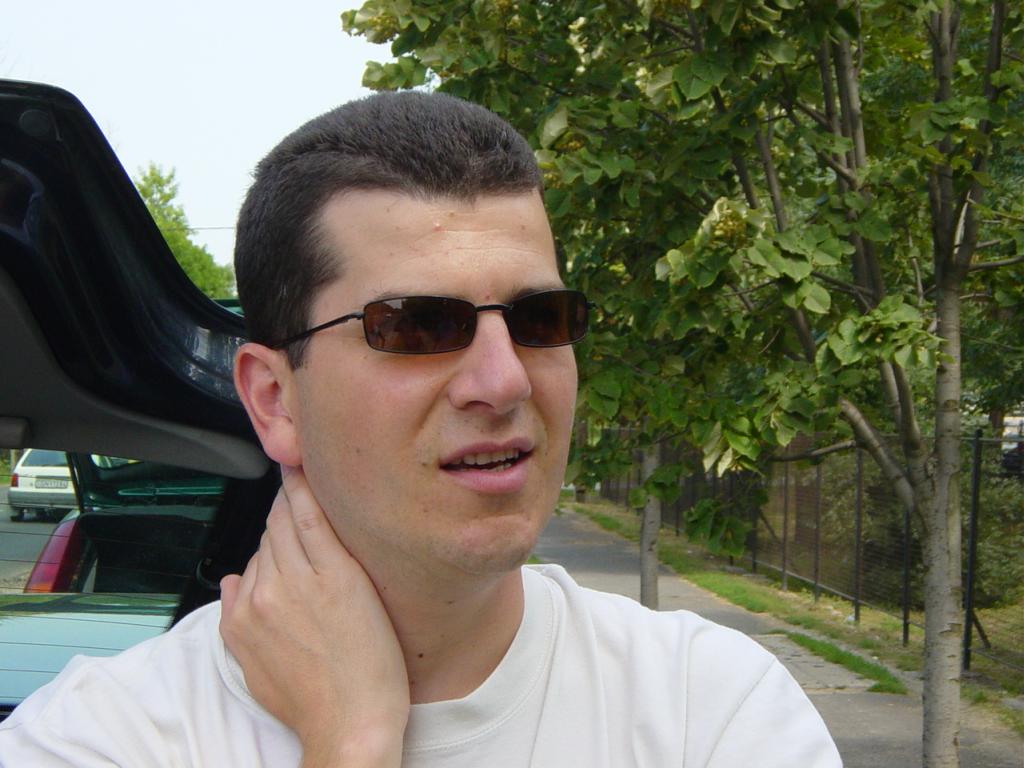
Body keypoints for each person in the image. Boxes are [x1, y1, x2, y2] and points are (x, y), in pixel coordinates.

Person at [0, 91, 841, 767]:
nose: (504, 379)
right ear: (275, 400)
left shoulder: (711, 709)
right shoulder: (99, 738)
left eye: (540, 318)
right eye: (418, 326)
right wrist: (351, 746)